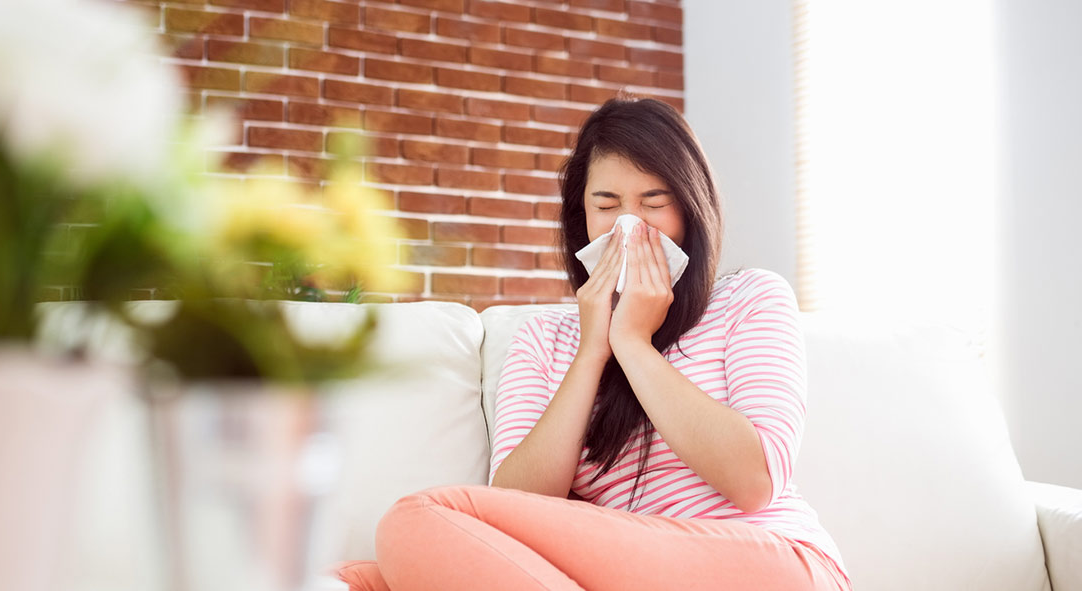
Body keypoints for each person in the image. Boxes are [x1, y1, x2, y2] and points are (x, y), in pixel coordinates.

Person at [330, 96, 852, 591]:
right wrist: (591, 351)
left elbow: (754, 481)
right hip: (622, 575)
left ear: (692, 211)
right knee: (369, 571)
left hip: (771, 563)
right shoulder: (543, 341)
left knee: (416, 524)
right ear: (581, 221)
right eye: (607, 205)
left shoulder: (749, 298)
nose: (631, 226)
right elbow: (519, 508)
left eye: (654, 202)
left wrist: (634, 343)